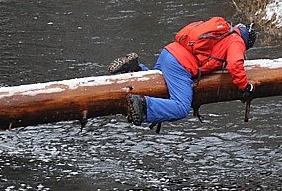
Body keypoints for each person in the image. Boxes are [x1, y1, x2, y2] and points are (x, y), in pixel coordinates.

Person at [107, 19, 257, 126]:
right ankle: (143, 105)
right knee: (181, 108)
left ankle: (136, 69)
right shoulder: (236, 41)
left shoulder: (224, 31)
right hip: (180, 64)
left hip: (169, 52)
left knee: (159, 85)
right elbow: (235, 65)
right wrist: (245, 86)